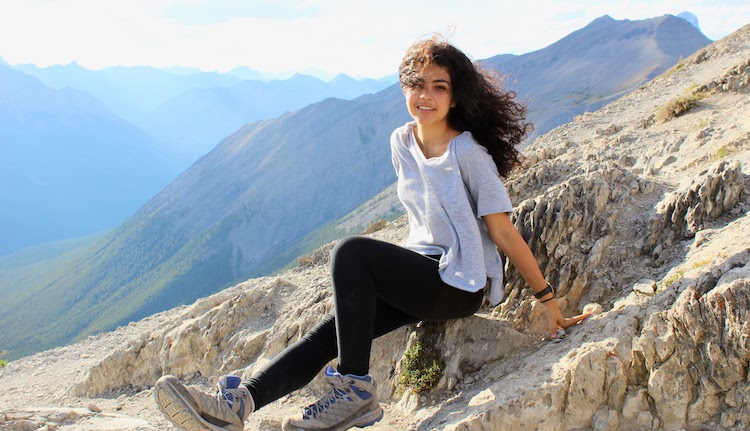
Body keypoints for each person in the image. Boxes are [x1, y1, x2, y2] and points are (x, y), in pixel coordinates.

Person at [152, 35, 590, 431]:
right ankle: (238, 406)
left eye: (440, 86)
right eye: (417, 84)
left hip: (459, 282)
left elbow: (504, 234)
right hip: (422, 271)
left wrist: (546, 298)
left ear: (455, 97)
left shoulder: (469, 154)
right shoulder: (402, 141)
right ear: (404, 89)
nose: (426, 95)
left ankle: (357, 391)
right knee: (330, 332)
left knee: (350, 253)